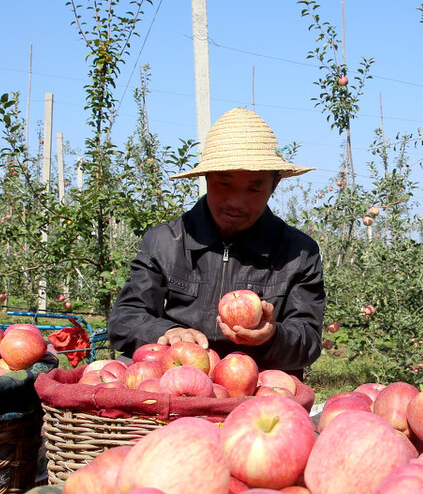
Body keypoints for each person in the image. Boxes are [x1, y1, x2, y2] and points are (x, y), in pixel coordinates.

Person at [109, 108, 325, 377]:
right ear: (207, 178)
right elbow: (125, 318)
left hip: (256, 394)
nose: (235, 201)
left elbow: (309, 339)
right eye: (224, 184)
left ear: (275, 184)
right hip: (175, 387)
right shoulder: (164, 242)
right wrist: (166, 333)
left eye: (254, 188)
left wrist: (272, 336)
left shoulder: (297, 253)